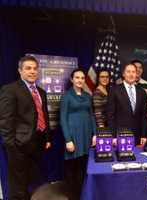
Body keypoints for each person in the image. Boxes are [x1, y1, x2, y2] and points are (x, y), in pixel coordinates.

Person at [0, 55, 51, 200]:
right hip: (18, 146)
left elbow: (44, 115)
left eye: (35, 68)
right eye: (28, 68)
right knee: (18, 187)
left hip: (36, 144)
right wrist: (11, 146)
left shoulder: (41, 92)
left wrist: (47, 138)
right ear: (20, 71)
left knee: (30, 181)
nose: (32, 71)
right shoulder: (10, 90)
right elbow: (5, 121)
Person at [60, 68, 96, 200]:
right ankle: (73, 195)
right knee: (73, 168)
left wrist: (95, 134)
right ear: (72, 79)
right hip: (73, 135)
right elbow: (63, 119)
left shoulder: (87, 96)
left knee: (84, 165)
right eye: (77, 77)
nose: (80, 80)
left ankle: (84, 193)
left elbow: (91, 115)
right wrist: (68, 139)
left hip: (86, 134)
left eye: (82, 78)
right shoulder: (66, 96)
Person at [107, 63, 147, 145]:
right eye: (128, 71)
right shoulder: (114, 90)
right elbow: (110, 115)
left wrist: (144, 135)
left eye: (133, 72)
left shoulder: (142, 92)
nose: (131, 74)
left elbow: (144, 115)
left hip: (138, 136)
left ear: (136, 74)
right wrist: (113, 136)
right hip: (120, 135)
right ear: (123, 74)